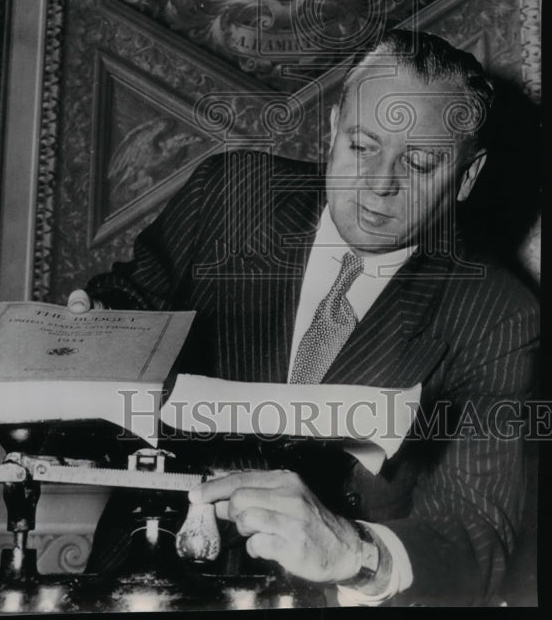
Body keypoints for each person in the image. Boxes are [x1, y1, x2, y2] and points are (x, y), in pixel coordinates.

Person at [68, 30, 539, 606]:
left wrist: (356, 552)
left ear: (467, 176)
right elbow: (131, 299)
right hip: (146, 576)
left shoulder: (497, 313)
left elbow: (479, 533)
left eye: (417, 163)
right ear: (333, 125)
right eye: (361, 147)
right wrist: (93, 328)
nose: (379, 184)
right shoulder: (230, 193)